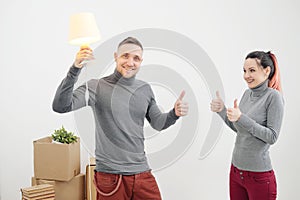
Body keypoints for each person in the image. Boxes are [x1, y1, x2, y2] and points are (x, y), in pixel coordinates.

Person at [52, 37, 189, 200]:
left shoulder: (144, 89)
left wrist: (174, 113)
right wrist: (75, 69)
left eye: (136, 58)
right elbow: (60, 106)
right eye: (125, 56)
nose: (130, 62)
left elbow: (158, 123)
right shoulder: (97, 86)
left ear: (141, 62)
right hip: (111, 178)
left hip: (141, 173)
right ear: (116, 56)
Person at [210, 51, 284, 200]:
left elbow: (272, 137)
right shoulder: (246, 94)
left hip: (259, 177)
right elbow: (239, 129)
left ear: (266, 71)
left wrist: (242, 118)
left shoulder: (273, 97)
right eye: (244, 71)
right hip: (236, 172)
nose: (246, 76)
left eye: (252, 70)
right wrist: (222, 110)